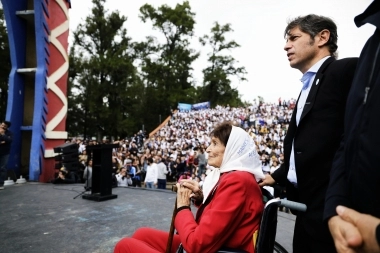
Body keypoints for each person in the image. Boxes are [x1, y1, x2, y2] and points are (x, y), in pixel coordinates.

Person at [259, 14, 358, 252]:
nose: (286, 45)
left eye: (294, 38)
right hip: (306, 205)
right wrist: (277, 175)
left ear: (322, 37)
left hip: (332, 207)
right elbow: (310, 142)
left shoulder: (346, 70)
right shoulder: (307, 84)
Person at [114, 121, 265, 253]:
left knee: (124, 246)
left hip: (220, 249)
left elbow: (196, 245)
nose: (208, 149)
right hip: (220, 245)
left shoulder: (237, 181)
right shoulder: (236, 177)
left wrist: (182, 207)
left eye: (214, 143)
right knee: (142, 234)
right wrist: (200, 196)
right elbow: (221, 216)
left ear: (232, 148)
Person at [324, 2, 380, 252]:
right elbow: (351, 138)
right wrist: (336, 210)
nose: (285, 45)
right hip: (351, 230)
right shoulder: (373, 44)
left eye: (293, 37)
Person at [0, 121, 12, 190]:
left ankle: (1, 183)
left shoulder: (9, 133)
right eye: (2, 125)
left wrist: (3, 134)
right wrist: (3, 142)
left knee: (2, 168)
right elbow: (5, 141)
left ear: (7, 127)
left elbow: (9, 140)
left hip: (5, 153)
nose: (2, 127)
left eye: (4, 126)